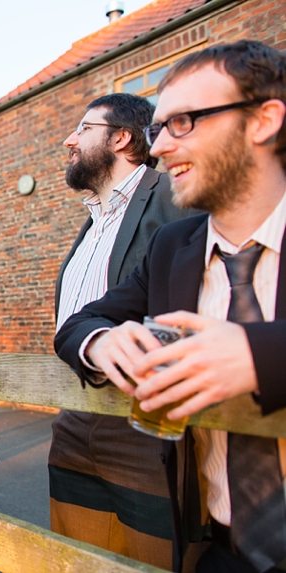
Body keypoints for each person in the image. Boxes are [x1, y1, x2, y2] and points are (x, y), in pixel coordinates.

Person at [55, 40, 286, 573]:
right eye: (158, 129)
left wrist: (258, 354)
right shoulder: (174, 248)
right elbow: (78, 323)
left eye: (183, 123)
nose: (158, 148)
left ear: (263, 120)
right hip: (220, 550)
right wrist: (103, 341)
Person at [49, 92, 192, 569]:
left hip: (142, 424)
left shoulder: (174, 198)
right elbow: (76, 320)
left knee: (155, 558)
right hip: (73, 417)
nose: (70, 140)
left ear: (121, 138)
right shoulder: (92, 220)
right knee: (74, 558)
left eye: (83, 128)